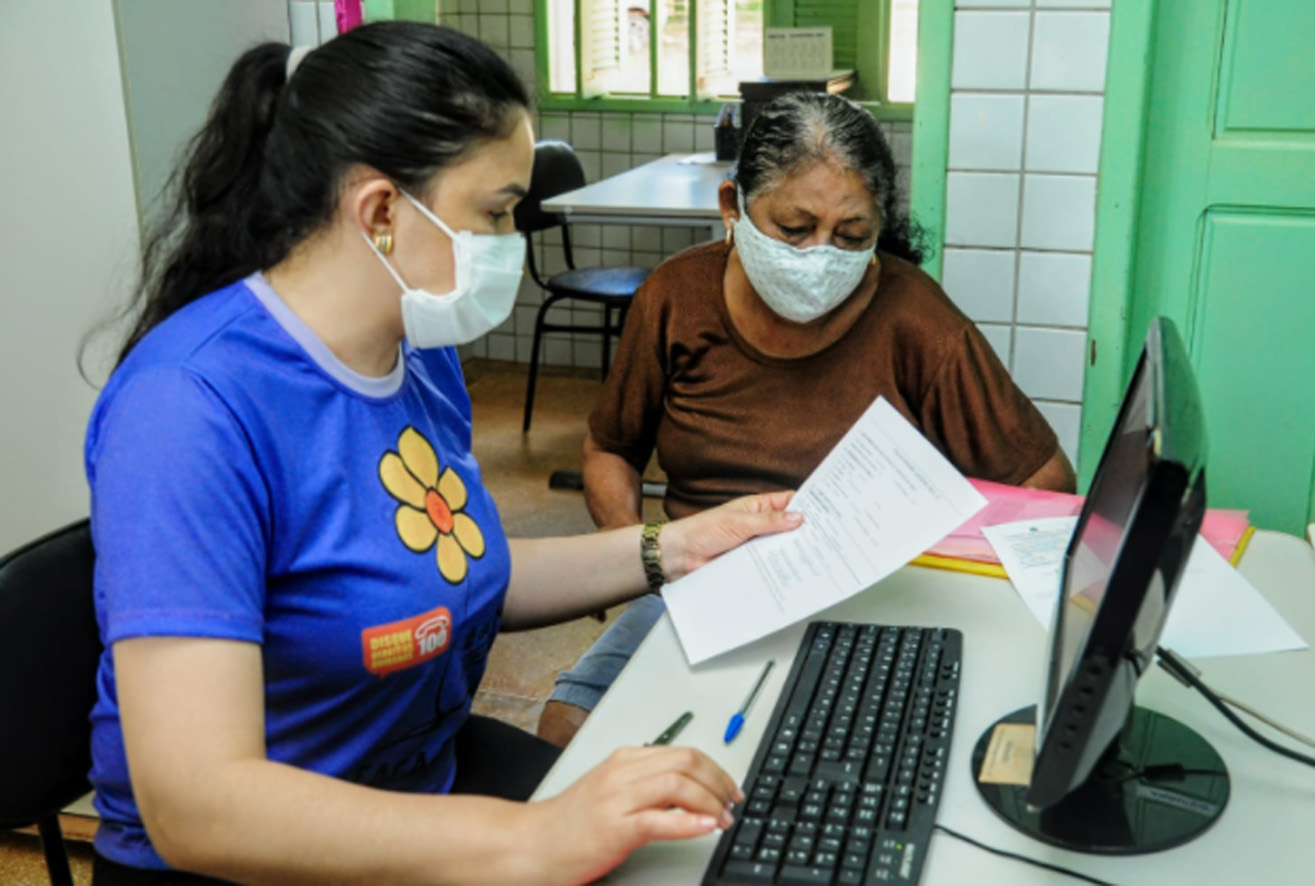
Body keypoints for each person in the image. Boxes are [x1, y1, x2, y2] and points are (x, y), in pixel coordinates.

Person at [84, 23, 803, 885]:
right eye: (496, 211)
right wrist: (533, 841)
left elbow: (459, 570)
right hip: (253, 858)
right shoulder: (188, 409)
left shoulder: (414, 354)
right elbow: (199, 807)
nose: (511, 240)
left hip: (416, 780)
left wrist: (672, 547)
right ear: (382, 211)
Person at [537, 91, 1075, 747]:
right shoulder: (675, 298)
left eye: (850, 236)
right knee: (568, 733)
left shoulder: (916, 321)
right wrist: (633, 558)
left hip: (867, 603)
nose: (819, 255)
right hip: (698, 588)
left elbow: (1044, 486)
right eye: (793, 229)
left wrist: (928, 549)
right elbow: (609, 448)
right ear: (731, 207)